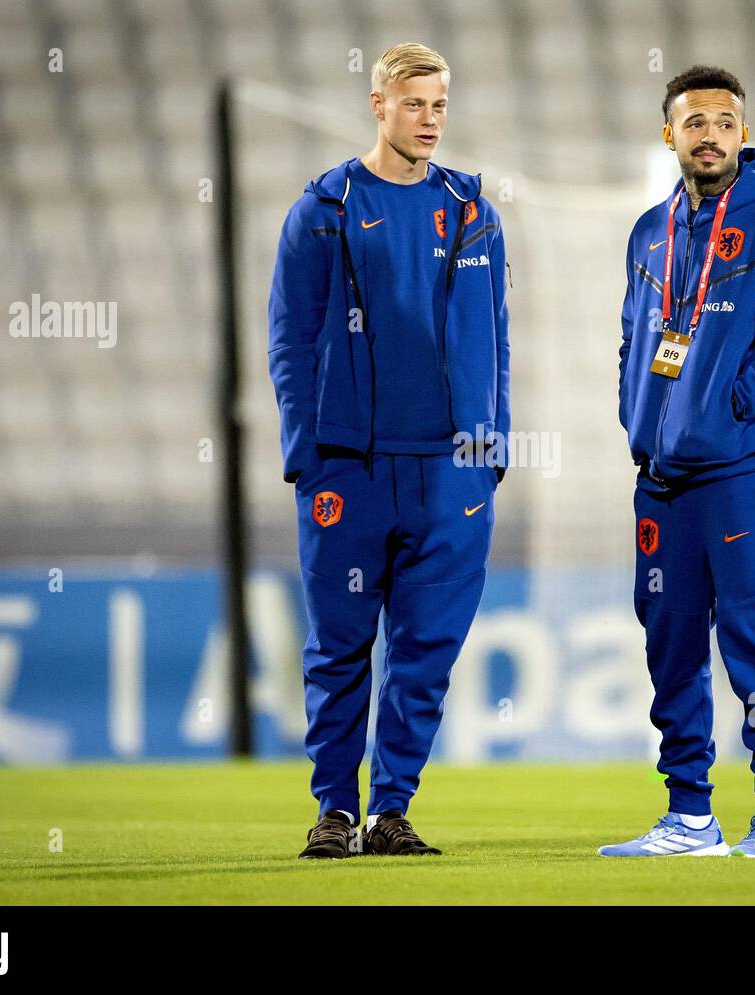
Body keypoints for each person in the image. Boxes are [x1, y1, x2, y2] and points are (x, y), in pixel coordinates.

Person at [267, 42, 509, 859]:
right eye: (415, 104)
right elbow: (289, 341)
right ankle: (335, 810)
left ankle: (391, 809)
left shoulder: (474, 211)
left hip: (450, 471)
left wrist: (490, 448)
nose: (431, 119)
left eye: (440, 104)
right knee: (339, 647)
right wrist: (309, 452)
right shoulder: (324, 209)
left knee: (424, 652)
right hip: (350, 469)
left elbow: (495, 339)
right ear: (379, 105)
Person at [604, 65, 755, 858]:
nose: (710, 135)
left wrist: (730, 401)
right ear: (670, 133)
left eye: (724, 122)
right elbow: (636, 338)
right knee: (668, 644)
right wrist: (640, 415)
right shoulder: (648, 231)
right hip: (661, 485)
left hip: (739, 474)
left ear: (742, 131)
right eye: (694, 122)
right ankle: (689, 815)